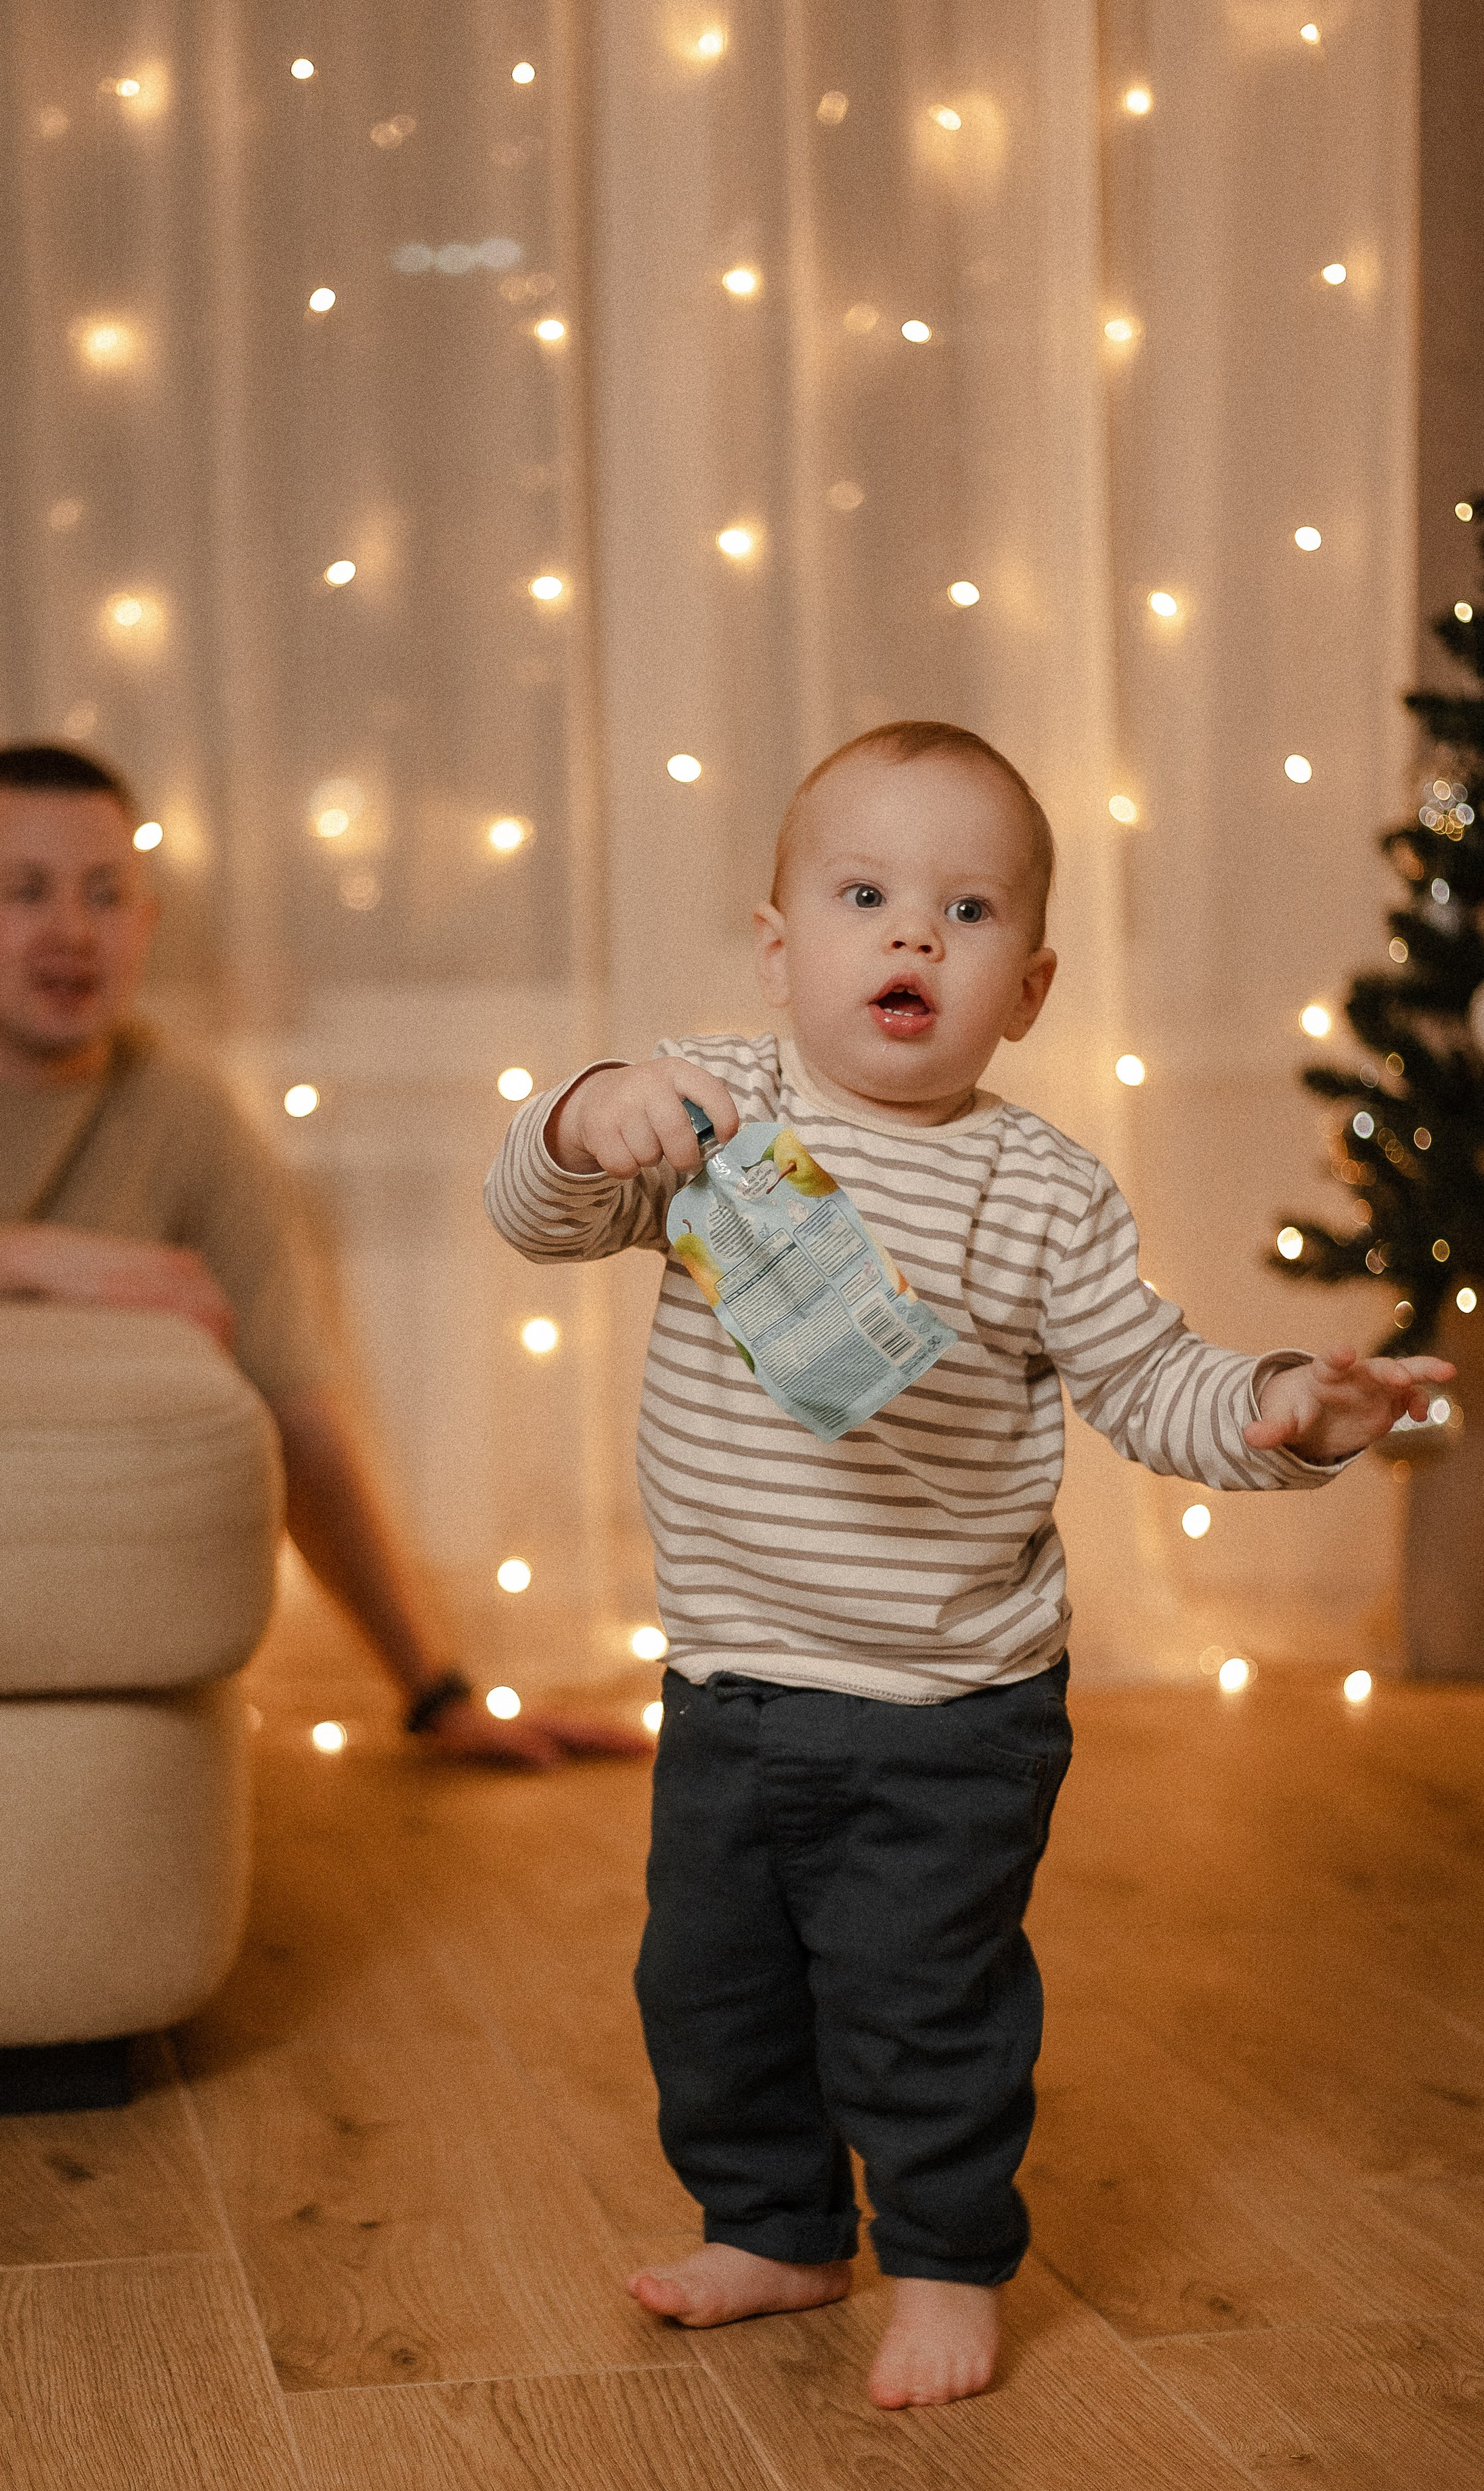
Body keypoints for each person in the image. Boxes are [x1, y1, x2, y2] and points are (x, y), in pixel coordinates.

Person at [485, 718, 1452, 2404]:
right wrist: (583, 1114)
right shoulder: (712, 1111)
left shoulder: (1038, 1194)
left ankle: (943, 2257)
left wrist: (1288, 1409)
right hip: (727, 1681)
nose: (914, 937)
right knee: (709, 1991)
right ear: (779, 948)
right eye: (863, 897)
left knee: (922, 2001)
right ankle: (776, 2230)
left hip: (949, 1700)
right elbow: (536, 1213)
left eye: (968, 910)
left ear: (1030, 988)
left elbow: (1148, 1385)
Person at [0, 740, 645, 1769]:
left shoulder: (187, 1116)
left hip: (74, 1569)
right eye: (27, 892)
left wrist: (435, 1692)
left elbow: (299, 1423)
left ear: (145, 924)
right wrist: (51, 1265)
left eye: (104, 894)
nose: (71, 932)